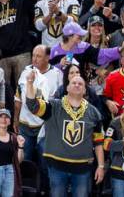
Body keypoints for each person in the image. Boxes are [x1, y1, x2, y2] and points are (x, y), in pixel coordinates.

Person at [25, 68, 105, 197]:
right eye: (74, 83)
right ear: (67, 87)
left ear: (85, 90)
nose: (77, 85)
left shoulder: (94, 112)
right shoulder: (53, 106)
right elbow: (32, 105)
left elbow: (99, 143)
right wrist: (29, 83)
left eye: (80, 84)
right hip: (57, 167)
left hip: (82, 169)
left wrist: (101, 166)